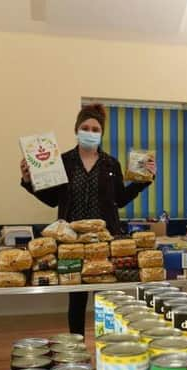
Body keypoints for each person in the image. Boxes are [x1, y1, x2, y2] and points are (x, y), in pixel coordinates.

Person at [21, 104, 155, 335]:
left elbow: (120, 199)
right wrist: (28, 180)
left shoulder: (110, 164)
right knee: (77, 298)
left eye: (95, 129)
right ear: (76, 130)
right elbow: (52, 199)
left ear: (101, 133)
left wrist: (144, 180)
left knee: (106, 298)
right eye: (85, 127)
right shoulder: (62, 161)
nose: (90, 132)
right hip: (72, 242)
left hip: (105, 241)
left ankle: (110, 347)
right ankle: (77, 346)